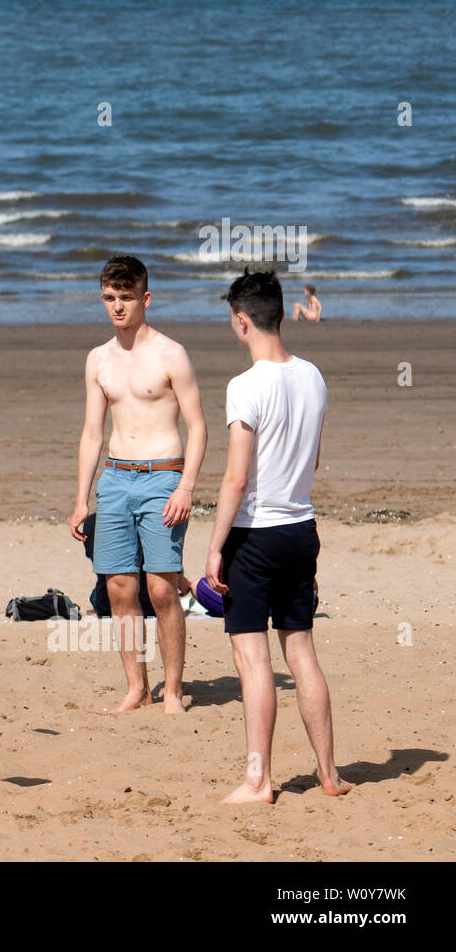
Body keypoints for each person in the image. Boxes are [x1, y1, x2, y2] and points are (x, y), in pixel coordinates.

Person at [205, 269, 351, 804]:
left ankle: (258, 780)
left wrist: (216, 546)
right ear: (282, 313)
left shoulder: (244, 386)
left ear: (241, 321)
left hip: (256, 535)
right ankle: (330, 774)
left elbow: (236, 478)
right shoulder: (313, 376)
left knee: (253, 659)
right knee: (303, 652)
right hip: (301, 528)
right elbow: (313, 458)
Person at [69, 256, 206, 713]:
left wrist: (185, 487)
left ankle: (174, 689)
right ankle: (136, 687)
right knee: (119, 589)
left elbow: (198, 426)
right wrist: (80, 499)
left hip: (163, 476)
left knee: (162, 588)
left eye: (126, 298)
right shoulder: (98, 359)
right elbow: (92, 432)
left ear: (145, 298)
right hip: (115, 478)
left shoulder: (171, 353)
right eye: (109, 298)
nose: (118, 307)